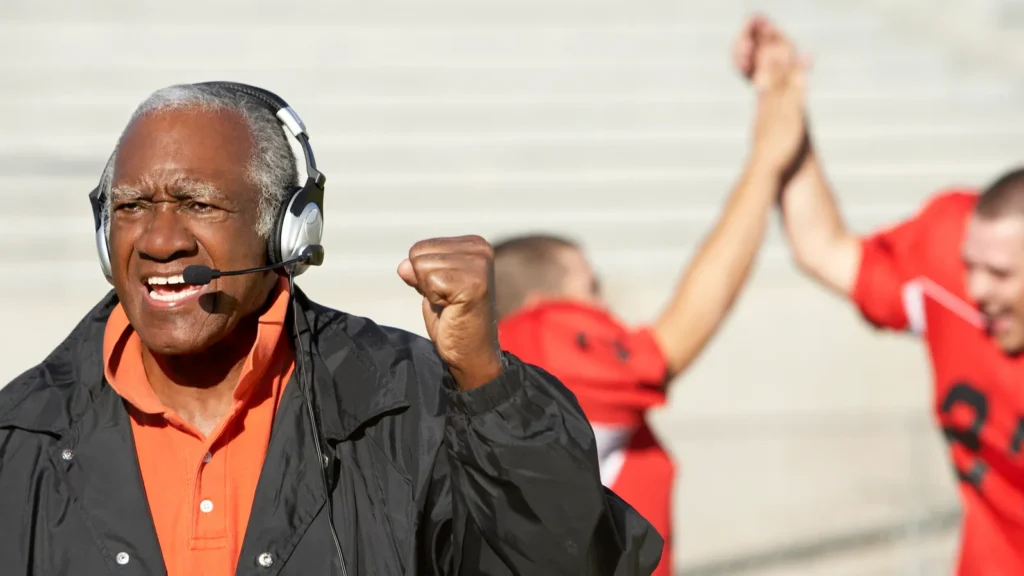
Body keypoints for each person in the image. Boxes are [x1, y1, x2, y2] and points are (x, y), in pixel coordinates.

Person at [0, 82, 663, 576]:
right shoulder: (18, 437)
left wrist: (486, 383)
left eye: (199, 203)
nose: (160, 239)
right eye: (132, 206)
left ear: (290, 231)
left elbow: (566, 562)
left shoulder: (412, 404)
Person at [494, 51, 810, 576]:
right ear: (543, 303)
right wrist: (765, 164)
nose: (605, 308)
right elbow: (674, 340)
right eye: (591, 288)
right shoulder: (538, 340)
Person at [742, 15, 1024, 575]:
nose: (975, 290)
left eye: (1000, 274)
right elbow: (821, 246)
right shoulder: (949, 260)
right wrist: (784, 111)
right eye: (971, 266)